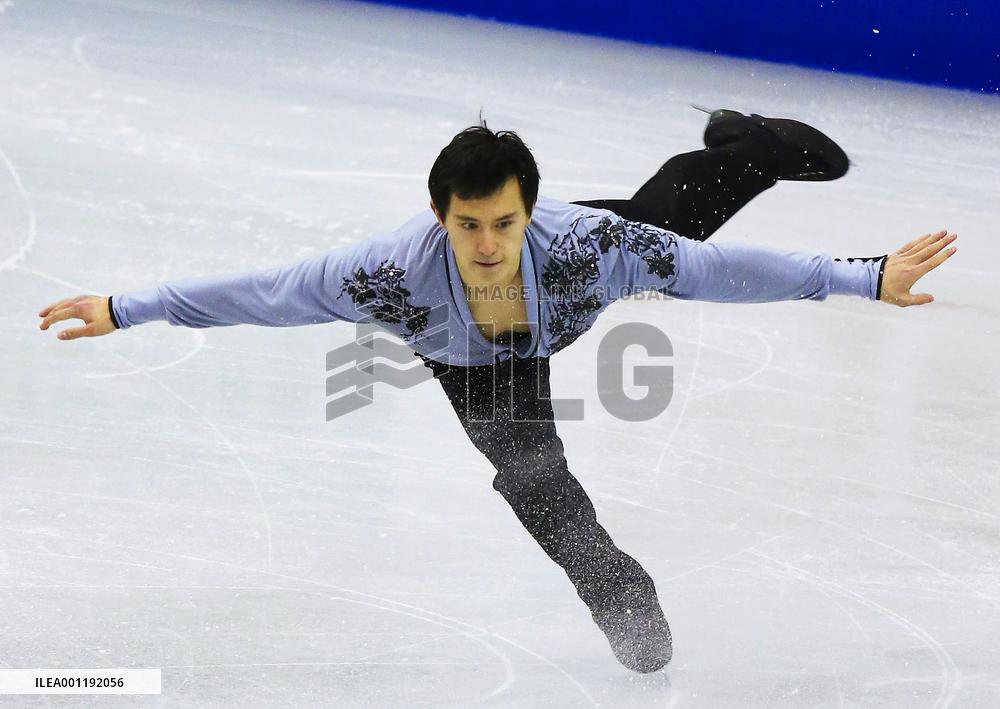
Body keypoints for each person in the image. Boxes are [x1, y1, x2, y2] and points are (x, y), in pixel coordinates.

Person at [37, 110, 957, 673]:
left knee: (676, 224)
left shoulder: (585, 244)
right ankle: (620, 595)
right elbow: (265, 292)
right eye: (468, 223)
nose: (485, 242)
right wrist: (130, 306)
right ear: (440, 215)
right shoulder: (383, 273)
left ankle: (744, 143)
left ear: (530, 210)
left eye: (504, 222)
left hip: (570, 291)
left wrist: (863, 276)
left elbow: (717, 274)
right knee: (533, 478)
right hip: (475, 363)